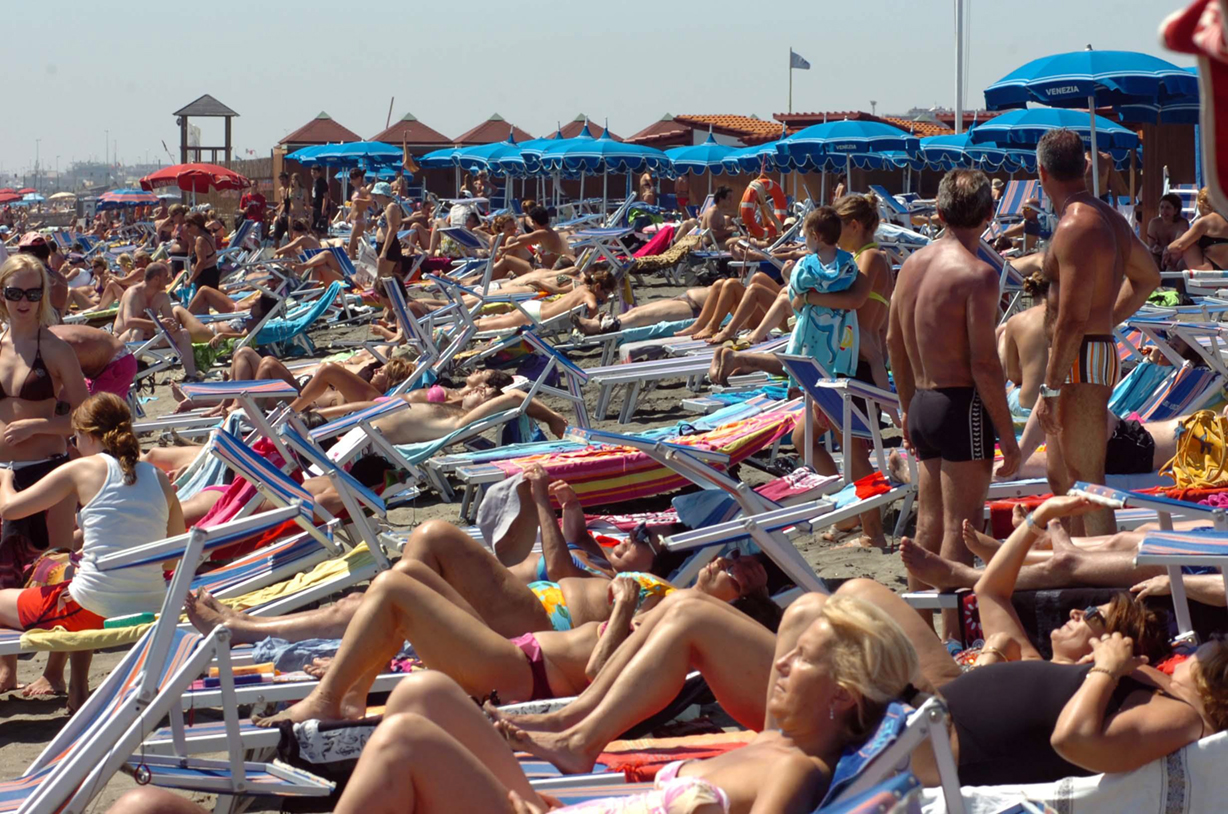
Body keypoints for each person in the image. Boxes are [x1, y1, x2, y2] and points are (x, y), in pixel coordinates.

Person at [109, 593, 921, 814]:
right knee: (424, 688)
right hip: (574, 805)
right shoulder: (771, 744)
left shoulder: (796, 771)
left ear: (841, 696)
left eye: (797, 664)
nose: (776, 663)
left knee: (401, 747)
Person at [887, 169, 1020, 634]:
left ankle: (918, 637)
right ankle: (950, 642)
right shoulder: (980, 275)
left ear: (939, 213)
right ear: (989, 215)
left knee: (927, 526)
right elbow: (984, 364)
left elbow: (893, 343)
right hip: (962, 406)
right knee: (960, 532)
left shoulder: (910, 267)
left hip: (922, 402)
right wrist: (1010, 437)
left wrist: (907, 408)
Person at [0, 393, 183, 710]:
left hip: (95, 609)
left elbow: (9, 509)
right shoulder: (158, 478)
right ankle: (78, 687)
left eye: (75, 436)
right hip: (151, 602)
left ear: (92, 436)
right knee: (70, 574)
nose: (73, 443)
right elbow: (171, 557)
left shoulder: (81, 470)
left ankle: (13, 674)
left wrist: (5, 478)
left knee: (69, 590)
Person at [1032, 129, 1160, 536]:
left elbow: (1070, 318)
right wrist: (1108, 319)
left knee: (1087, 482)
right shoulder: (1107, 218)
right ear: (1085, 168)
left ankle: (1107, 587)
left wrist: (1050, 389)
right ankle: (1078, 565)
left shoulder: (1075, 224)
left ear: (1042, 173)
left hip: (1080, 354)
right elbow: (1148, 278)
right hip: (1086, 350)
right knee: (1061, 478)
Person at [0, 255, 91, 697]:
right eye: (14, 292)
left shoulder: (54, 349)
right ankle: (8, 671)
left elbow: (84, 417)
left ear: (43, 296)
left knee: (57, 567)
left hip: (49, 472)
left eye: (32, 293)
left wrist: (39, 425)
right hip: (3, 475)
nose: (22, 301)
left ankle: (56, 672)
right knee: (3, 574)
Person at [112, 262, 201, 380]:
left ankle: (191, 375)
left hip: (148, 340)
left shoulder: (162, 297)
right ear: (156, 279)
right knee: (137, 331)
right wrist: (157, 324)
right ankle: (135, 369)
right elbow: (128, 322)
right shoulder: (133, 293)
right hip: (124, 341)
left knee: (183, 333)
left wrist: (172, 326)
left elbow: (170, 323)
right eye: (166, 276)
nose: (169, 279)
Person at [472, 267, 614, 333]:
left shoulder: (580, 287)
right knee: (496, 324)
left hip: (536, 307)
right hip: (537, 316)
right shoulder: (588, 295)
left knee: (497, 320)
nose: (606, 297)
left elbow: (558, 291)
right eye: (606, 293)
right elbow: (593, 307)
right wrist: (592, 321)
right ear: (597, 286)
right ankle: (466, 329)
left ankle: (463, 326)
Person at [49, 324, 137, 399]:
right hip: (115, 358)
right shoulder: (49, 333)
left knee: (92, 411)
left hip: (116, 365)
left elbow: (66, 386)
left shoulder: (58, 345)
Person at [1167, 187, 1228, 271]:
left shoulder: (1205, 221)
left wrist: (1166, 249)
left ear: (1201, 204)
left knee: (1188, 245)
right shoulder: (1224, 218)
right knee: (1181, 263)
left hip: (1208, 269)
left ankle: (1167, 273)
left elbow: (1179, 245)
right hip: (1224, 267)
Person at [1147, 192, 1190, 271]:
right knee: (1151, 258)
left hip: (1175, 258)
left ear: (1176, 210)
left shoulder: (1182, 223)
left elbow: (1179, 246)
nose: (1164, 211)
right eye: (1161, 207)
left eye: (1168, 208)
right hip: (1158, 256)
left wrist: (1166, 252)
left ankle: (1173, 281)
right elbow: (1152, 247)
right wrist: (1159, 251)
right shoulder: (1154, 223)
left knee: (1179, 260)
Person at [370, 181, 405, 278]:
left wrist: (384, 251)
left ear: (383, 195)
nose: (375, 197)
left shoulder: (391, 207)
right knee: (382, 279)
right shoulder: (386, 207)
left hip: (389, 247)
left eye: (377, 195)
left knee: (382, 279)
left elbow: (392, 229)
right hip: (384, 245)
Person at [182, 211, 220, 293]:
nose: (187, 228)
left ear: (196, 226)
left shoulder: (200, 240)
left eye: (189, 225)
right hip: (212, 273)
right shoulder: (206, 235)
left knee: (203, 303)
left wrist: (191, 279)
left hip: (205, 276)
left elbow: (201, 262)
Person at [346, 168, 371, 260]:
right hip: (354, 220)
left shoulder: (362, 189)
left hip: (359, 221)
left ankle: (352, 267)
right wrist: (349, 215)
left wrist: (358, 200)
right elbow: (354, 205)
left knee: (351, 247)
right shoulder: (356, 190)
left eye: (353, 179)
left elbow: (370, 201)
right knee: (356, 245)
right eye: (350, 178)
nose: (351, 181)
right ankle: (358, 263)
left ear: (359, 178)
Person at [272, 171, 293, 247]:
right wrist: (274, 209)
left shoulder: (291, 190)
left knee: (291, 236)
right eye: (280, 179)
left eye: (283, 179)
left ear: (287, 179)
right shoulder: (280, 190)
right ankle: (277, 252)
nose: (282, 181)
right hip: (282, 214)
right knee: (276, 236)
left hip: (290, 213)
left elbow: (287, 203)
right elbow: (281, 203)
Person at [309, 164, 330, 235]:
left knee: (322, 229)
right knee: (314, 228)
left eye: (315, 172)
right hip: (315, 208)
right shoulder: (314, 182)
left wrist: (323, 210)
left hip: (321, 208)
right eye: (312, 172)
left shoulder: (322, 182)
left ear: (319, 173)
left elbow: (325, 196)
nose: (313, 174)